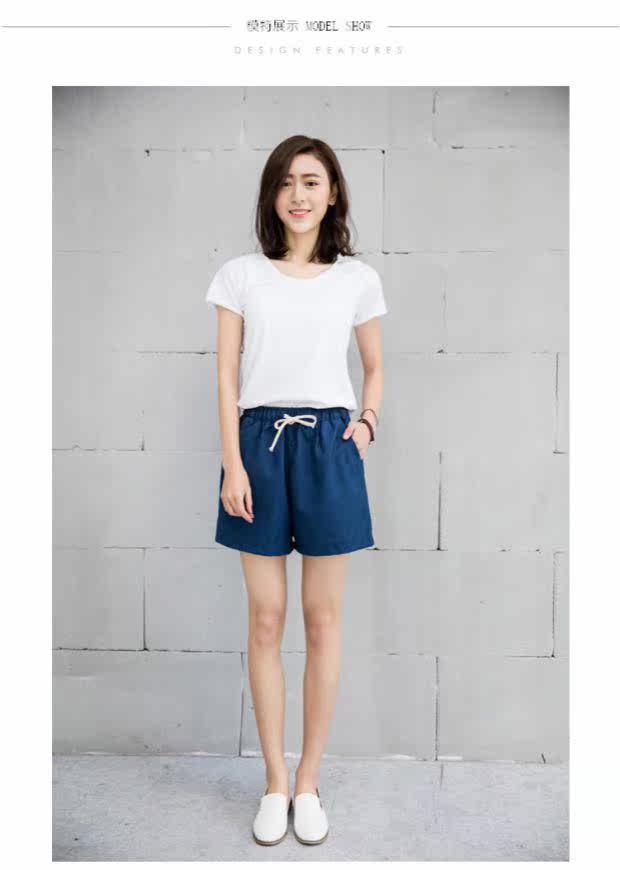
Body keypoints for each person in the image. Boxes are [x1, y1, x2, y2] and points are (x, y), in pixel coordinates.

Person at [204, 134, 387, 846]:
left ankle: (309, 781)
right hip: (258, 444)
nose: (298, 194)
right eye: (285, 182)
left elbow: (374, 366)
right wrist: (233, 463)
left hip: (330, 446)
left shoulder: (357, 279)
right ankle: (274, 783)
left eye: (311, 181)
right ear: (271, 196)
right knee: (266, 619)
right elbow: (226, 376)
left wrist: (366, 425)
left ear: (332, 192)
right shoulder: (240, 276)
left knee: (322, 619)